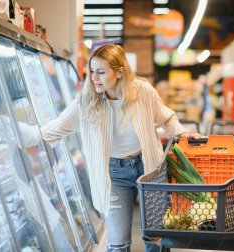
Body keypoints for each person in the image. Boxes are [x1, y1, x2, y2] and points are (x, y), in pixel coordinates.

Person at [37, 44, 201, 251]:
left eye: (101, 72)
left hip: (149, 166)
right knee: (117, 243)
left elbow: (166, 117)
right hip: (114, 173)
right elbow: (57, 128)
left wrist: (183, 133)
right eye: (92, 71)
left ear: (119, 72)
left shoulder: (143, 92)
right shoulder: (86, 100)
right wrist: (20, 135)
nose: (94, 78)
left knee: (156, 238)